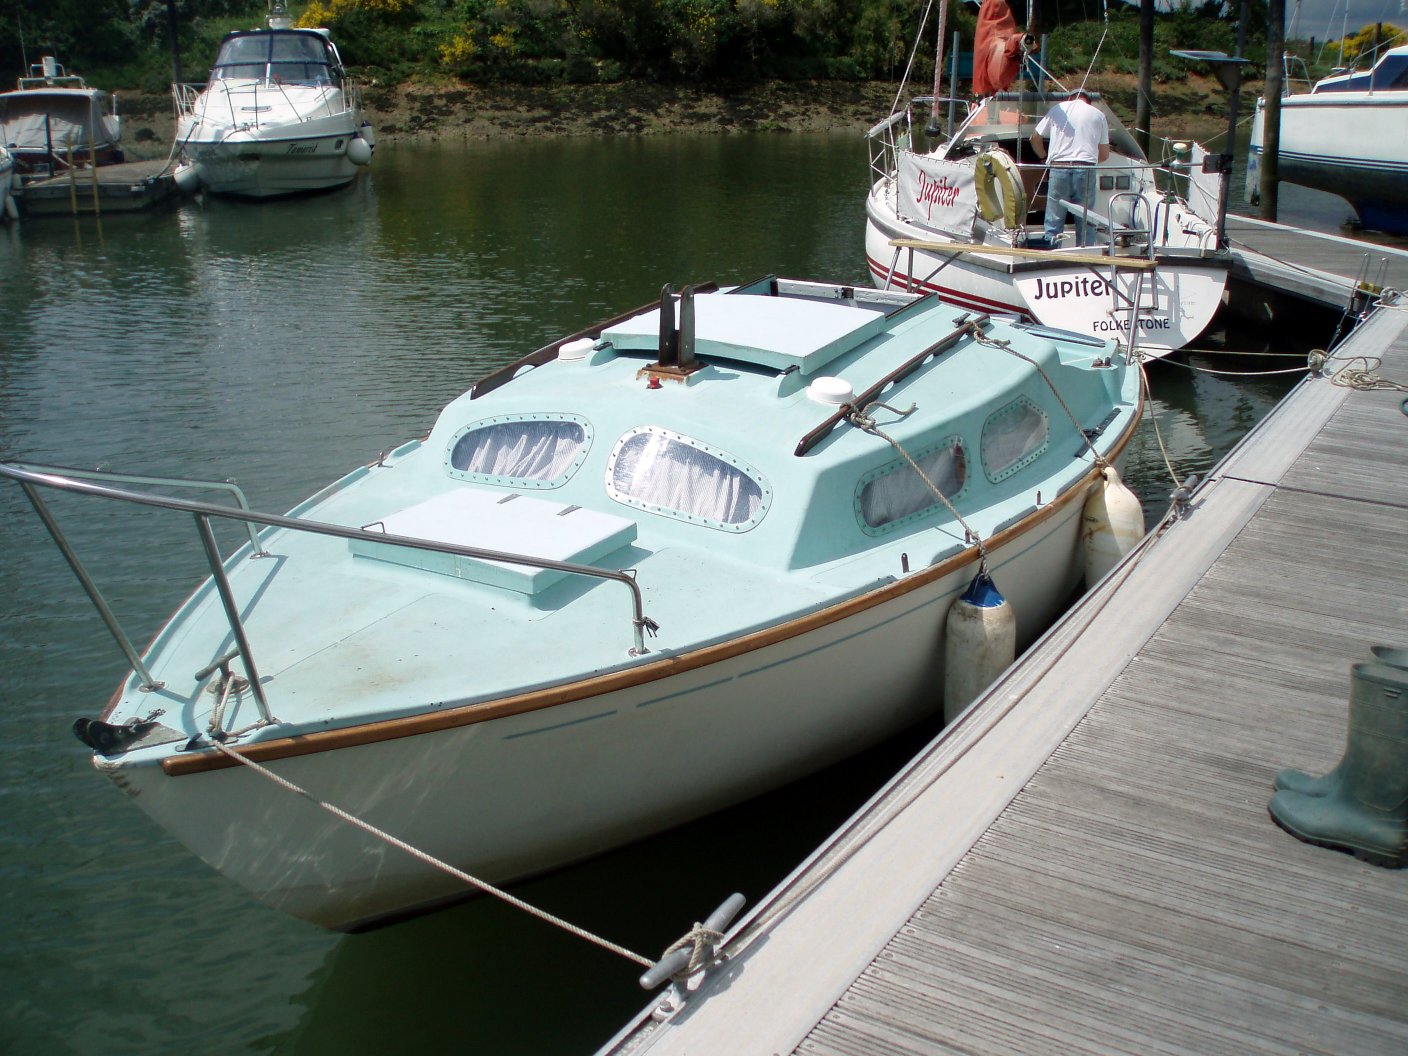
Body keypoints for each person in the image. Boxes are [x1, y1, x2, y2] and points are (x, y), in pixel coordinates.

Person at [1029, 88, 1110, 247]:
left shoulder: (1058, 109)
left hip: (1059, 167)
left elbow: (1034, 137)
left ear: (1069, 98)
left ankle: (1052, 250)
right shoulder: (1098, 115)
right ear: (1088, 100)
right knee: (1085, 217)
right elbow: (1105, 154)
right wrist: (1090, 161)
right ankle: (1085, 252)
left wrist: (1043, 157)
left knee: (1055, 217)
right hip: (1086, 169)